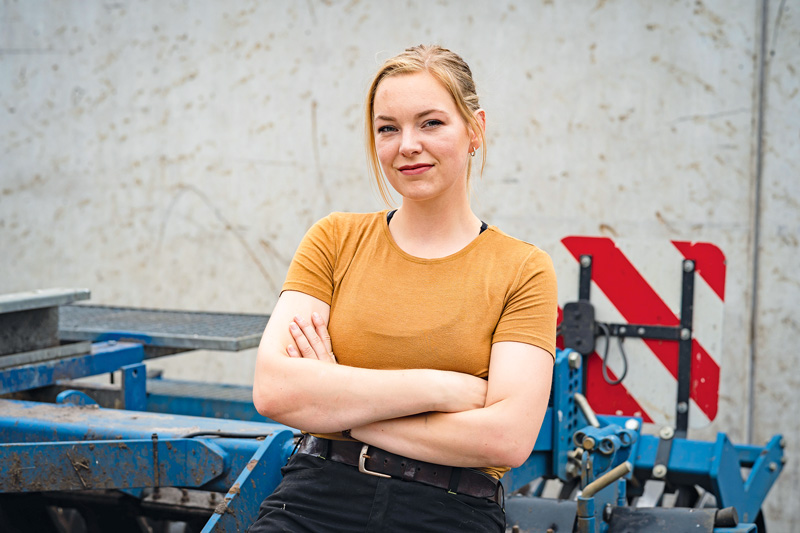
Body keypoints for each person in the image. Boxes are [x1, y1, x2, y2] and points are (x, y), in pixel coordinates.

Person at [249, 44, 557, 532]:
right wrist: (440, 388)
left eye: (430, 123)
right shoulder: (334, 240)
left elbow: (506, 439)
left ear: (475, 129)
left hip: (450, 511)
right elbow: (274, 390)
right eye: (387, 128)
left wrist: (338, 410)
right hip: (313, 499)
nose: (407, 144)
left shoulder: (523, 269)